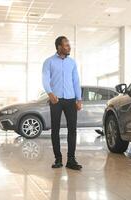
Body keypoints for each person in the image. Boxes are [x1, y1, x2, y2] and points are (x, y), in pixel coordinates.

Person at [42, 36, 82, 170]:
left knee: (72, 130)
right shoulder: (49, 62)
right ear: (59, 47)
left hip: (71, 99)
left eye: (69, 44)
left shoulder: (72, 63)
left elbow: (76, 81)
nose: (69, 47)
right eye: (66, 45)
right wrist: (50, 93)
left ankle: (71, 159)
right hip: (56, 100)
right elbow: (45, 79)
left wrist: (79, 98)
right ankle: (58, 159)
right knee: (55, 130)